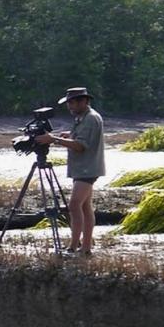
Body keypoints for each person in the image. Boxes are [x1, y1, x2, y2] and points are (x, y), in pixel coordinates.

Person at [35, 87, 105, 255]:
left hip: (87, 168)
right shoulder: (82, 117)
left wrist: (54, 139)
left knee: (74, 205)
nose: (70, 106)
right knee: (86, 207)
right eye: (69, 103)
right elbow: (79, 137)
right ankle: (86, 247)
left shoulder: (90, 119)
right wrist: (68, 134)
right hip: (83, 168)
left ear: (84, 101)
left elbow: (81, 146)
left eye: (72, 103)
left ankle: (73, 247)